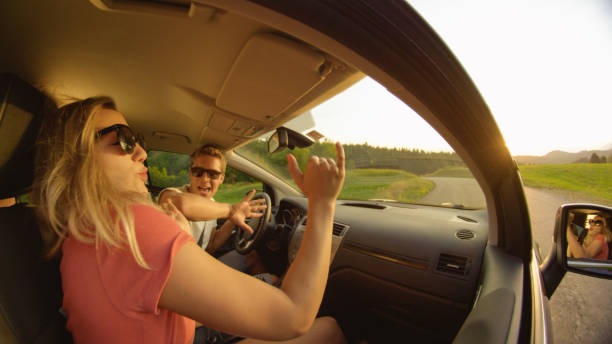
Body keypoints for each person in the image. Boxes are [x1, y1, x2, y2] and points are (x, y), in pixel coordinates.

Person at [32, 96, 347, 344]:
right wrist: (322, 203)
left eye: (135, 138)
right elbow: (294, 317)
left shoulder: (83, 233)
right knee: (328, 330)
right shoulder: (132, 227)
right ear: (76, 156)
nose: (141, 152)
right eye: (122, 139)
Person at [157, 145, 273, 282]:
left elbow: (211, 245)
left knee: (251, 256)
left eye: (213, 174)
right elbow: (180, 204)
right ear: (190, 173)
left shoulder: (212, 203)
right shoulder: (172, 194)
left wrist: (232, 220)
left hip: (201, 266)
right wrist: (230, 210)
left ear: (221, 179)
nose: (205, 179)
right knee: (274, 279)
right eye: (198, 171)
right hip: (179, 276)